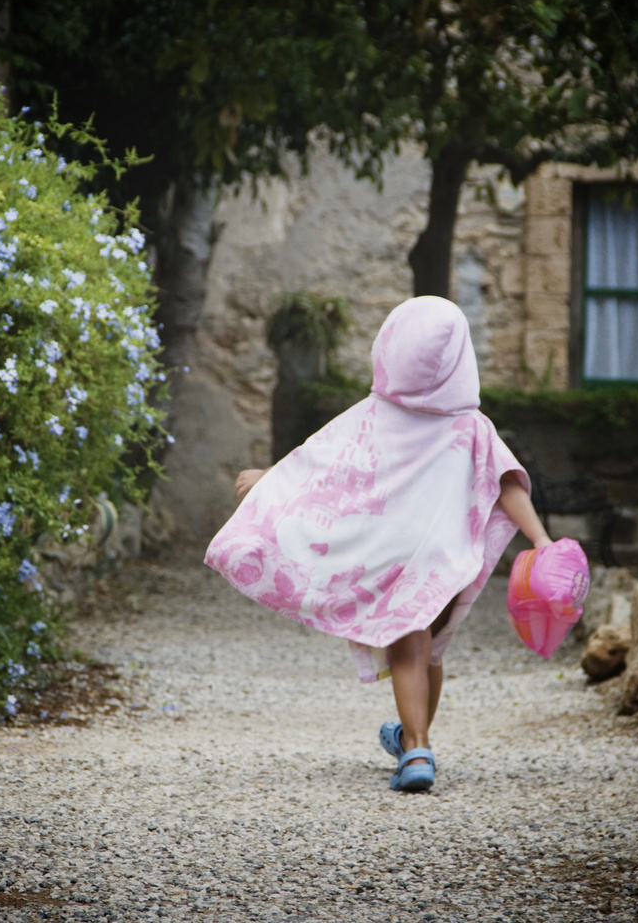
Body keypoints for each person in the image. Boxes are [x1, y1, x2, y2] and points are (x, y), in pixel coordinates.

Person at [205, 296, 551, 792]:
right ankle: (416, 736)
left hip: (393, 557)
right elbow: (508, 482)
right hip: (443, 561)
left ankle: (415, 749)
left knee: (408, 649)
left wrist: (271, 480)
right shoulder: (471, 426)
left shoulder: (376, 416)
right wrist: (538, 539)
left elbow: (327, 468)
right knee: (427, 651)